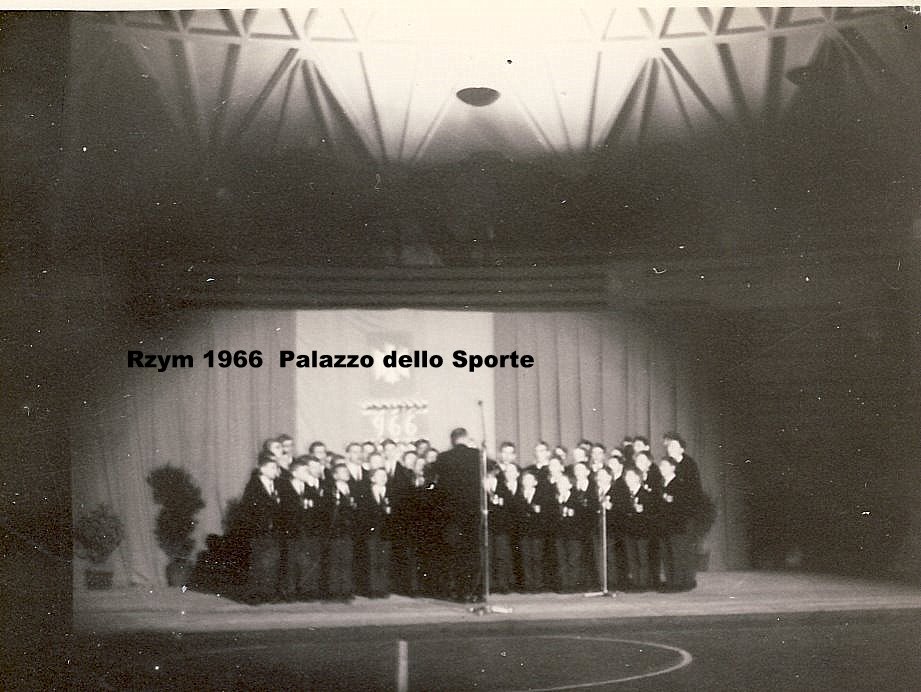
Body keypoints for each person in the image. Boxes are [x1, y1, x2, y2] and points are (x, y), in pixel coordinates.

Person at [430, 427, 482, 601]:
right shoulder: (477, 455)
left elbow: (433, 480)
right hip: (472, 513)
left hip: (450, 514)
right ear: (466, 439)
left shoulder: (443, 457)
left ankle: (455, 591)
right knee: (472, 552)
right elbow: (492, 467)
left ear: (452, 440)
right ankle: (474, 591)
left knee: (452, 552)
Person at [277, 456, 326, 601]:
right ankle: (289, 592)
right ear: (294, 472)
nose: (308, 474)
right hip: (292, 531)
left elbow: (318, 509)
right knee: (291, 561)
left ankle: (308, 591)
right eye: (304, 471)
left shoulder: (310, 489)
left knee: (308, 562)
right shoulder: (284, 488)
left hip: (308, 531)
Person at [239, 452, 283, 604]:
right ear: (262, 469)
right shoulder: (253, 486)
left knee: (272, 562)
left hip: (273, 530)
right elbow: (248, 509)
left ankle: (268, 593)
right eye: (271, 467)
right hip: (259, 531)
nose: (274, 470)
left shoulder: (275, 486)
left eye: (276, 467)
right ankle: (255, 594)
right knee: (258, 562)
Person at [325, 463, 358, 602]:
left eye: (347, 471)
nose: (346, 473)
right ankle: (334, 591)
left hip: (348, 531)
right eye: (342, 471)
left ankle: (346, 590)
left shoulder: (352, 489)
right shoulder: (330, 490)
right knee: (335, 561)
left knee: (347, 561)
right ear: (335, 475)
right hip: (335, 530)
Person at [359, 468, 395, 598]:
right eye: (380, 476)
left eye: (385, 476)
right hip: (372, 532)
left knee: (384, 561)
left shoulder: (390, 492)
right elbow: (362, 513)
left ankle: (383, 588)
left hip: (386, 532)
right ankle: (373, 589)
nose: (383, 478)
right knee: (372, 560)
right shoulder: (366, 493)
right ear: (372, 478)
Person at [550, 474, 586, 592]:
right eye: (559, 483)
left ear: (570, 485)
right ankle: (564, 584)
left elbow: (581, 517)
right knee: (561, 559)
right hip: (559, 534)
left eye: (564, 483)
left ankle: (573, 584)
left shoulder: (577, 499)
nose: (561, 486)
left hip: (574, 534)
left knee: (573, 560)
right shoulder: (554, 500)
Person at [513, 469, 546, 592]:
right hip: (524, 532)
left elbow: (544, 514)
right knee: (525, 558)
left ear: (535, 482)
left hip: (537, 532)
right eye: (525, 480)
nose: (527, 482)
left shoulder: (541, 495)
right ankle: (528, 584)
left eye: (530, 480)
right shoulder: (519, 495)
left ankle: (538, 584)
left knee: (537, 558)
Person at [485, 467, 513, 593]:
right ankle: (490, 585)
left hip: (501, 528)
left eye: (491, 475)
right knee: (488, 556)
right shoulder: (481, 490)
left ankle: (503, 584)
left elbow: (509, 508)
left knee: (501, 556)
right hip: (487, 528)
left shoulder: (503, 489)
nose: (489, 478)